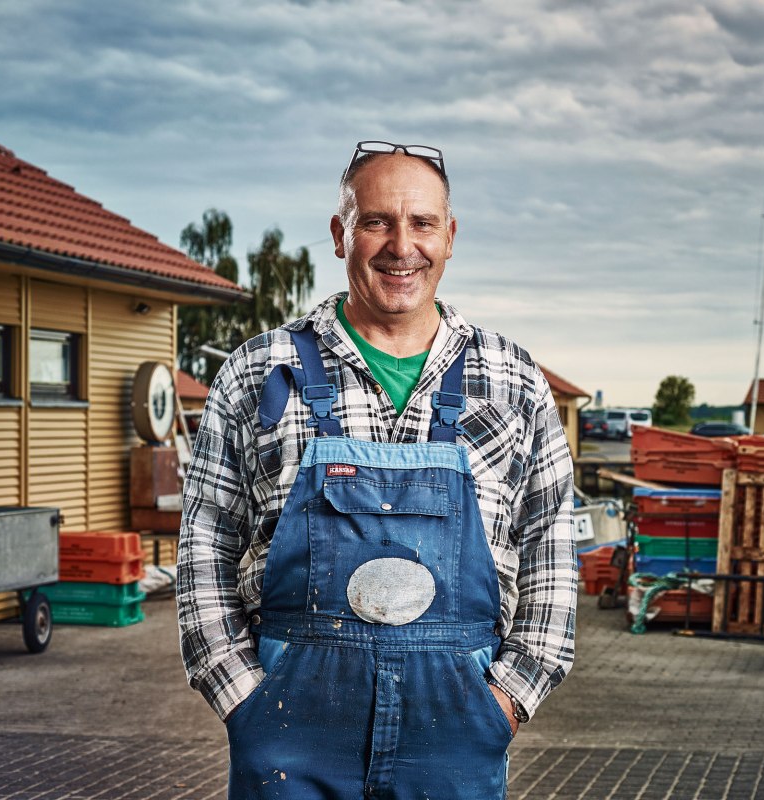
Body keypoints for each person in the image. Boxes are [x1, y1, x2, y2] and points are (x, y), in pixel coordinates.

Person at [177, 141, 577, 799]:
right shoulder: (258, 372)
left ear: (449, 237)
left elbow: (553, 550)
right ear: (341, 235)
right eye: (376, 222)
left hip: (458, 730)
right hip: (288, 732)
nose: (401, 245)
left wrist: (505, 703)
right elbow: (202, 546)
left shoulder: (513, 380)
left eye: (421, 223)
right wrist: (242, 699)